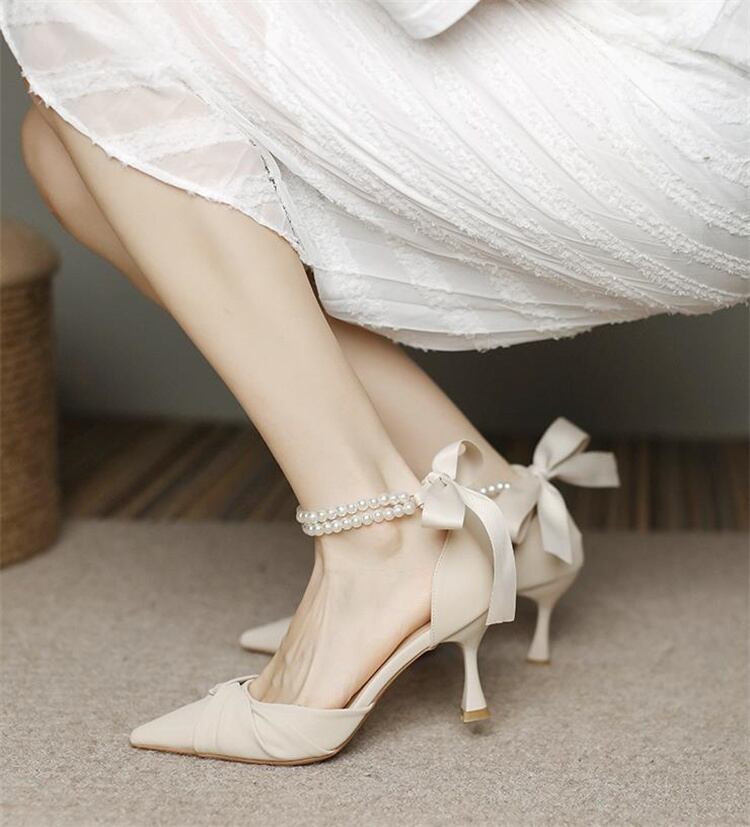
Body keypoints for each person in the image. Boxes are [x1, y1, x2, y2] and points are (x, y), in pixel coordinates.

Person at [2, 0, 745, 765]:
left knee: (79, 8)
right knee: (66, 147)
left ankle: (375, 543)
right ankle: (486, 500)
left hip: (687, 100)